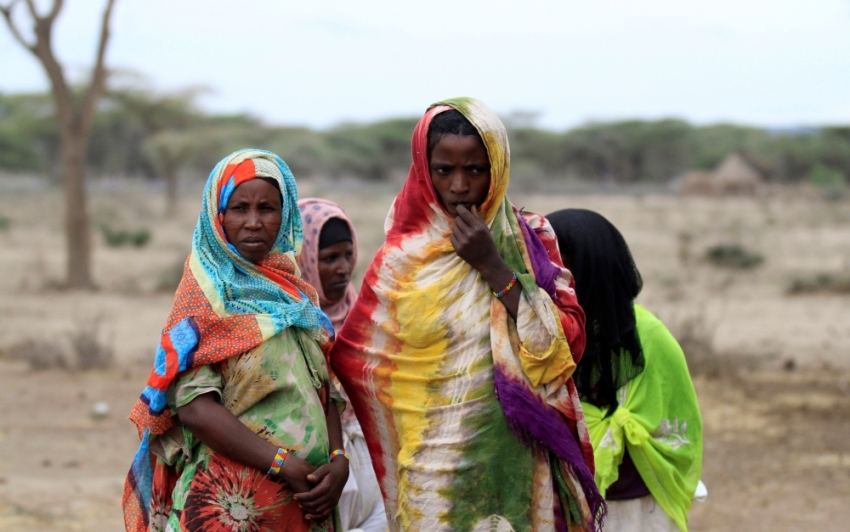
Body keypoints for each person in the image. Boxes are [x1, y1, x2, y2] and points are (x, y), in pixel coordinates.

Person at [329, 98, 605, 531]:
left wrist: (493, 266)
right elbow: (359, 359)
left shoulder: (532, 239)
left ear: (497, 166)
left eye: (476, 170)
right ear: (424, 169)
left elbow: (563, 347)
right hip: (428, 468)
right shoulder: (402, 257)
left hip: (515, 457)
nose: (459, 185)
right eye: (444, 170)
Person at [123, 149, 349, 532]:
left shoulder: (296, 295)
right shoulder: (206, 298)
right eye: (240, 208)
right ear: (218, 215)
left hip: (305, 505)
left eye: (268, 208)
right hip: (228, 509)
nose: (255, 223)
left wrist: (339, 461)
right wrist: (283, 464)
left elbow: (323, 387)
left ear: (286, 213)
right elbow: (194, 408)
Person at [546, 209, 703, 532]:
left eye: (563, 265)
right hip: (554, 509)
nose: (551, 276)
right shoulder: (541, 334)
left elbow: (677, 429)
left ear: (595, 268)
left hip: (635, 511)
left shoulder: (649, 336)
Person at [296, 197, 388, 532]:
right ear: (302, 259)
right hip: (315, 468)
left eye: (348, 255)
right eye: (329, 258)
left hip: (368, 460)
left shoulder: (365, 317)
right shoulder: (289, 326)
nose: (343, 267)